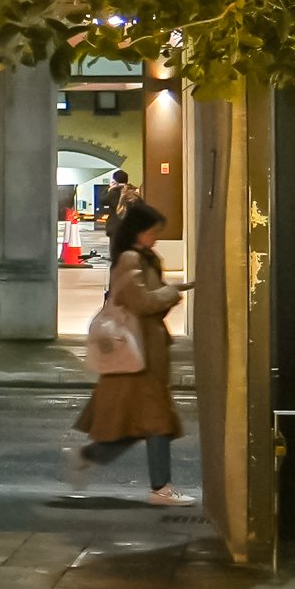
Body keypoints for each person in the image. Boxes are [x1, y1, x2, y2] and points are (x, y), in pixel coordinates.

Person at [74, 199, 188, 503]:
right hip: (140, 352)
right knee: (156, 422)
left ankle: (90, 455)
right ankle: (160, 488)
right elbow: (140, 302)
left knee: (140, 422)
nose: (156, 237)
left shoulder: (146, 258)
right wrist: (170, 293)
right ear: (138, 232)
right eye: (153, 231)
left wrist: (167, 294)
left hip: (149, 350)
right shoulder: (129, 259)